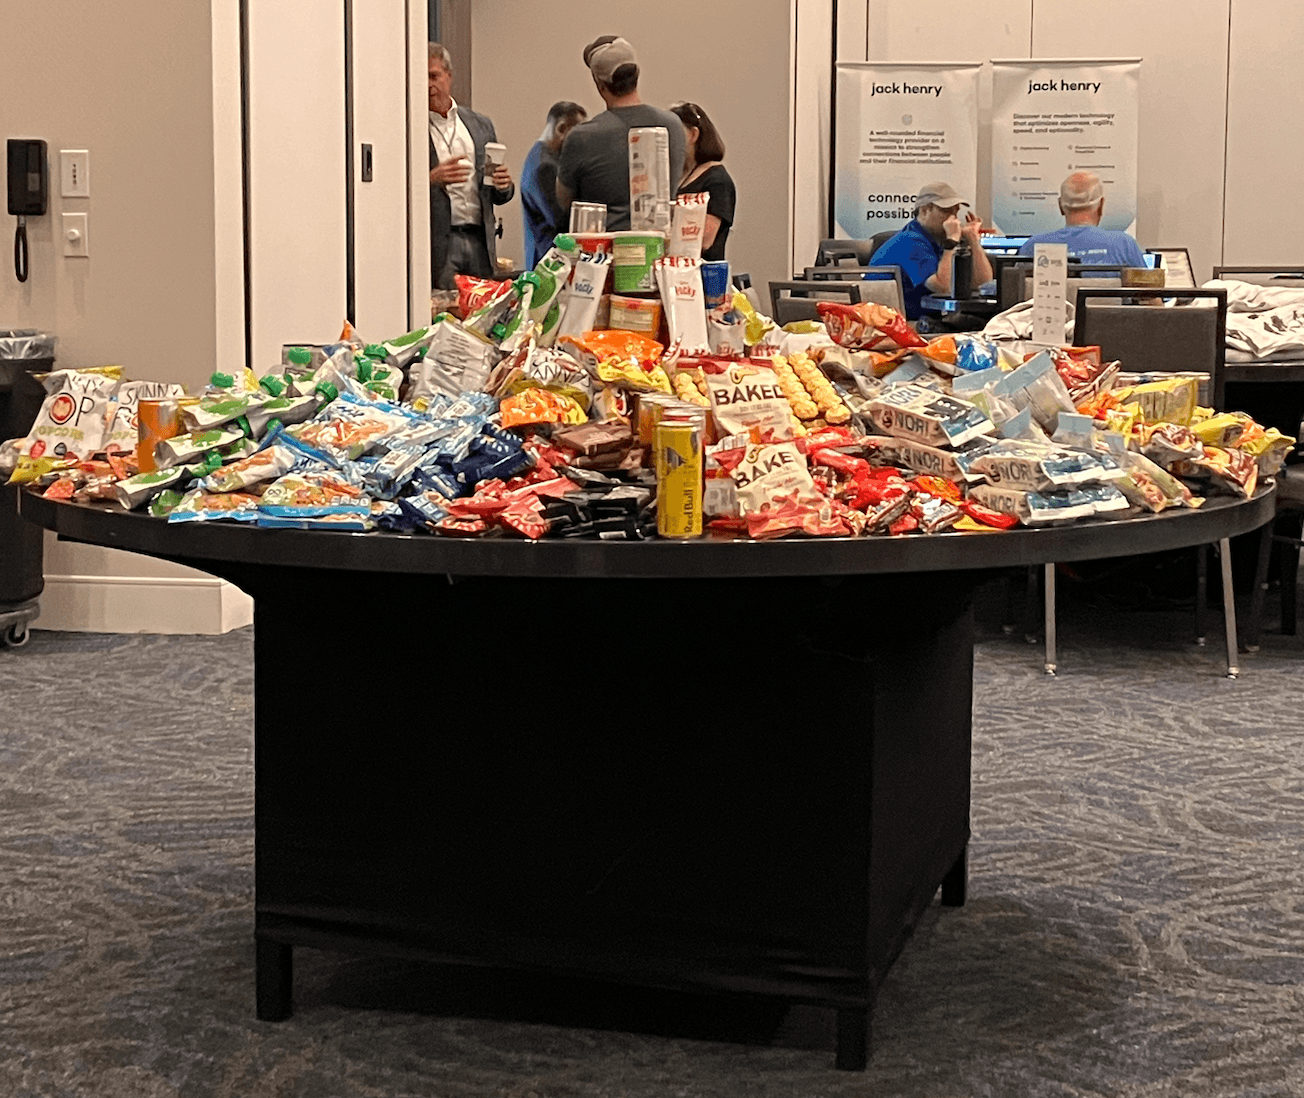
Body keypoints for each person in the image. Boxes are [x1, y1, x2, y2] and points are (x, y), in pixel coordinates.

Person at [555, 35, 685, 231]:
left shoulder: (581, 137)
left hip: (602, 254)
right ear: (638, 74)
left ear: (600, 85)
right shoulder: (673, 125)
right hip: (659, 251)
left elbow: (564, 201)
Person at [427, 42, 514, 290]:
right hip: (440, 243)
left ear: (449, 76)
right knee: (445, 314)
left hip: (480, 241)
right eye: (422, 78)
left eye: (434, 76)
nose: (429, 85)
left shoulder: (479, 124)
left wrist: (504, 184)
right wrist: (431, 179)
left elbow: (499, 195)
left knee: (483, 314)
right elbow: (395, 189)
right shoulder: (409, 127)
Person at [870, 182, 993, 320]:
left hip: (926, 318)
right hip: (900, 325)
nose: (954, 219)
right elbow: (943, 287)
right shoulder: (910, 241)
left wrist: (973, 241)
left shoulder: (935, 241)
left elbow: (983, 284)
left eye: (955, 212)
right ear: (924, 211)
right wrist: (951, 242)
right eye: (946, 211)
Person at [1017, 172, 1147, 267]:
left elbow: (1011, 296)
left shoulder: (1032, 248)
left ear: (1060, 206)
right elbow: (1150, 300)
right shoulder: (1124, 245)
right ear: (1101, 205)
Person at [521, 101, 587, 270]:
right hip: (549, 264)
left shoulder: (536, 157)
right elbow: (560, 219)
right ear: (562, 129)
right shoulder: (545, 167)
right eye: (577, 133)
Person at [669, 101, 736, 262]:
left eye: (674, 134)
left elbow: (705, 240)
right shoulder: (678, 178)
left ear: (693, 135)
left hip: (705, 277)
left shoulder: (717, 181)